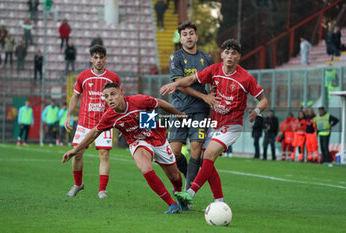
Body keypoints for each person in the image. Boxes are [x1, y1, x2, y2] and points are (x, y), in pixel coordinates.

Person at [161, 39, 268, 204]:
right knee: (206, 161)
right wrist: (175, 84)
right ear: (222, 55)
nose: (230, 56)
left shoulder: (245, 78)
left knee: (208, 154)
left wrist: (256, 111)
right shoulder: (215, 69)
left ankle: (190, 192)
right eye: (227, 52)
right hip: (214, 124)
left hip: (232, 126)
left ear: (238, 56)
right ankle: (219, 201)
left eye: (233, 53)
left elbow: (263, 99)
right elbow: (190, 80)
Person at [62, 82, 187, 213]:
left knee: (175, 177)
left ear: (121, 93)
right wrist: (75, 150)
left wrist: (179, 114)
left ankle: (178, 192)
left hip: (157, 138)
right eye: (106, 96)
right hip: (137, 141)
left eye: (112, 94)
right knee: (145, 168)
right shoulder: (109, 116)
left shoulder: (138, 101)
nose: (109, 98)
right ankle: (171, 204)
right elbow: (94, 132)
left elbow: (159, 103)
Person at [64, 45, 121, 199]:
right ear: (91, 59)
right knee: (77, 154)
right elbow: (75, 96)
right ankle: (78, 184)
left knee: (104, 155)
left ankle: (102, 190)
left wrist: (119, 119)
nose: (98, 60)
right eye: (95, 57)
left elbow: (118, 99)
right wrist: (69, 115)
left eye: (101, 57)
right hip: (84, 122)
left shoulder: (113, 78)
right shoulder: (83, 76)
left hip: (105, 123)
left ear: (105, 59)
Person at [168, 22, 214, 190]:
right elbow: (179, 84)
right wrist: (204, 95)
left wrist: (213, 95)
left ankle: (188, 190)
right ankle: (189, 177)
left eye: (191, 33)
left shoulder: (207, 58)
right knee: (174, 152)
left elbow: (213, 81)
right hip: (179, 110)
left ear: (196, 37)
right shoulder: (175, 57)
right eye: (185, 34)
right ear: (181, 39)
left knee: (196, 149)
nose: (188, 36)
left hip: (200, 111)